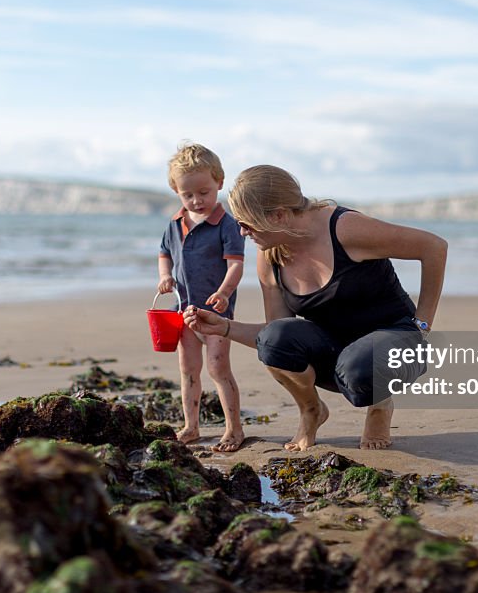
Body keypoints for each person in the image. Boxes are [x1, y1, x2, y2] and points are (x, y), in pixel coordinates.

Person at [184, 165, 447, 451]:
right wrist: (223, 327)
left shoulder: (345, 228)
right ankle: (311, 411)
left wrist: (421, 326)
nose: (242, 231)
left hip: (392, 342)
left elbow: (433, 247)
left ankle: (380, 406)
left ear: (279, 215)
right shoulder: (270, 255)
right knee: (275, 340)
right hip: (338, 352)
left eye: (248, 223)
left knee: (359, 370)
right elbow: (274, 335)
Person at [158, 143, 246, 452]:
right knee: (188, 370)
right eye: (188, 195)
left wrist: (224, 292)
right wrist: (165, 276)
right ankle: (191, 426)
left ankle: (234, 429)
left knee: (218, 369)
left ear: (219, 182)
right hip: (184, 311)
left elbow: (236, 264)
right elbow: (164, 254)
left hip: (216, 312)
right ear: (177, 191)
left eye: (204, 192)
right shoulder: (174, 224)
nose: (196, 201)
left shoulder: (226, 224)